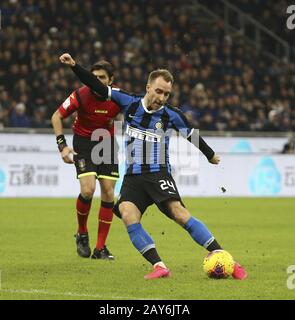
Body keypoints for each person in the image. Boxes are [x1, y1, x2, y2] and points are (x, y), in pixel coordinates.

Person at [59, 53, 247, 280]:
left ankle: (228, 260)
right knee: (128, 214)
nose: (162, 97)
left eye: (166, 94)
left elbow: (192, 136)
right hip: (133, 178)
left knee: (179, 214)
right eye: (158, 91)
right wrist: (74, 66)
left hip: (158, 174)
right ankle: (159, 266)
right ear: (148, 87)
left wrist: (209, 155)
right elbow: (96, 85)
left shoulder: (171, 115)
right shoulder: (128, 102)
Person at [51, 60, 121, 260]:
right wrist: (62, 146)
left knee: (108, 193)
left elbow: (132, 115)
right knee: (88, 190)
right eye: (94, 77)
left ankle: (100, 249)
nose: (96, 81)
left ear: (111, 80)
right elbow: (56, 116)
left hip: (106, 144)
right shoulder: (81, 94)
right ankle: (82, 232)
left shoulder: (117, 96)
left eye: (101, 78)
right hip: (84, 142)